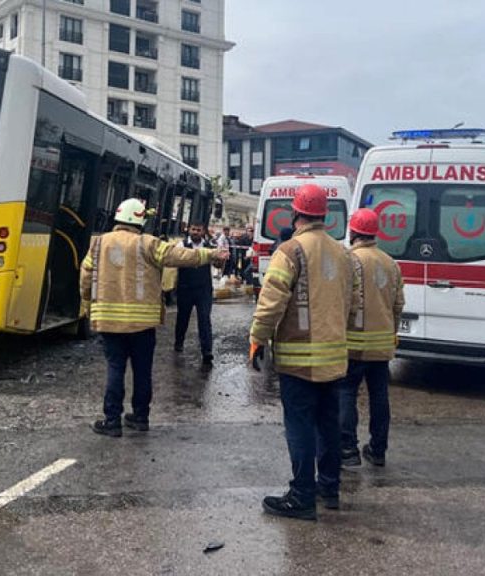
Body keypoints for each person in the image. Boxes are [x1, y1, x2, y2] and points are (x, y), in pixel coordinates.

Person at [249, 183, 356, 520]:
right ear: (324, 215)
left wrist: (257, 339)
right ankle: (329, 488)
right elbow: (351, 304)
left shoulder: (290, 251)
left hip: (298, 361)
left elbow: (270, 304)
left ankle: (302, 495)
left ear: (296, 213)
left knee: (299, 426)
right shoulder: (344, 254)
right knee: (328, 425)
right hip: (335, 359)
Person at [81, 198, 225, 437]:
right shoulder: (148, 243)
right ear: (139, 221)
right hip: (143, 324)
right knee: (142, 370)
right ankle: (140, 417)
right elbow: (181, 256)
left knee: (115, 368)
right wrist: (212, 255)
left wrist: (87, 303)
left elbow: (85, 278)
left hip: (109, 321)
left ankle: (112, 421)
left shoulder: (98, 244)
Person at [338, 209, 404, 469]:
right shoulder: (391, 263)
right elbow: (398, 304)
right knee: (379, 396)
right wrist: (391, 332)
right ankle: (378, 450)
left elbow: (341, 302)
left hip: (352, 342)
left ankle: (348, 450)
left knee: (346, 393)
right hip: (382, 344)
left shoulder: (348, 260)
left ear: (353, 232)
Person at [173, 222, 216, 365]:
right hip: (186, 288)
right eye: (193, 229)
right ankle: (179, 342)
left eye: (198, 229)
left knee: (204, 319)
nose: (196, 232)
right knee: (182, 317)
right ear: (189, 230)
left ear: (203, 231)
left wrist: (221, 258)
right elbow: (176, 260)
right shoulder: (181, 245)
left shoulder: (210, 246)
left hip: (204, 289)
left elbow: (217, 264)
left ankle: (207, 351)